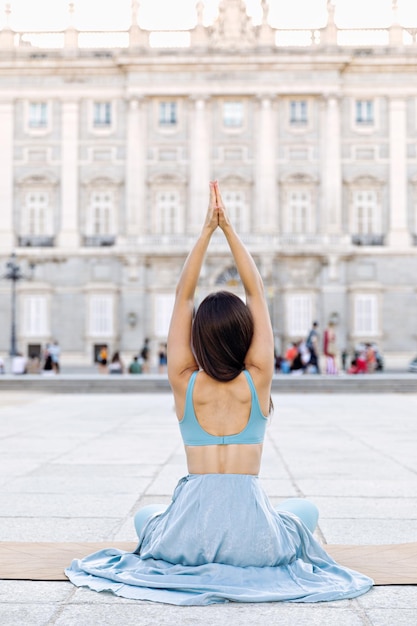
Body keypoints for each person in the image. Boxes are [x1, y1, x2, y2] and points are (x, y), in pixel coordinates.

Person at [66, 181, 372, 605]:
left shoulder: (184, 381)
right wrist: (229, 229)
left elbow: (183, 294)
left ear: (198, 338)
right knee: (305, 512)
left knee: (147, 517)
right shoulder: (258, 378)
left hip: (187, 535)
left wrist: (207, 231)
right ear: (246, 335)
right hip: (255, 540)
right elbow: (256, 291)